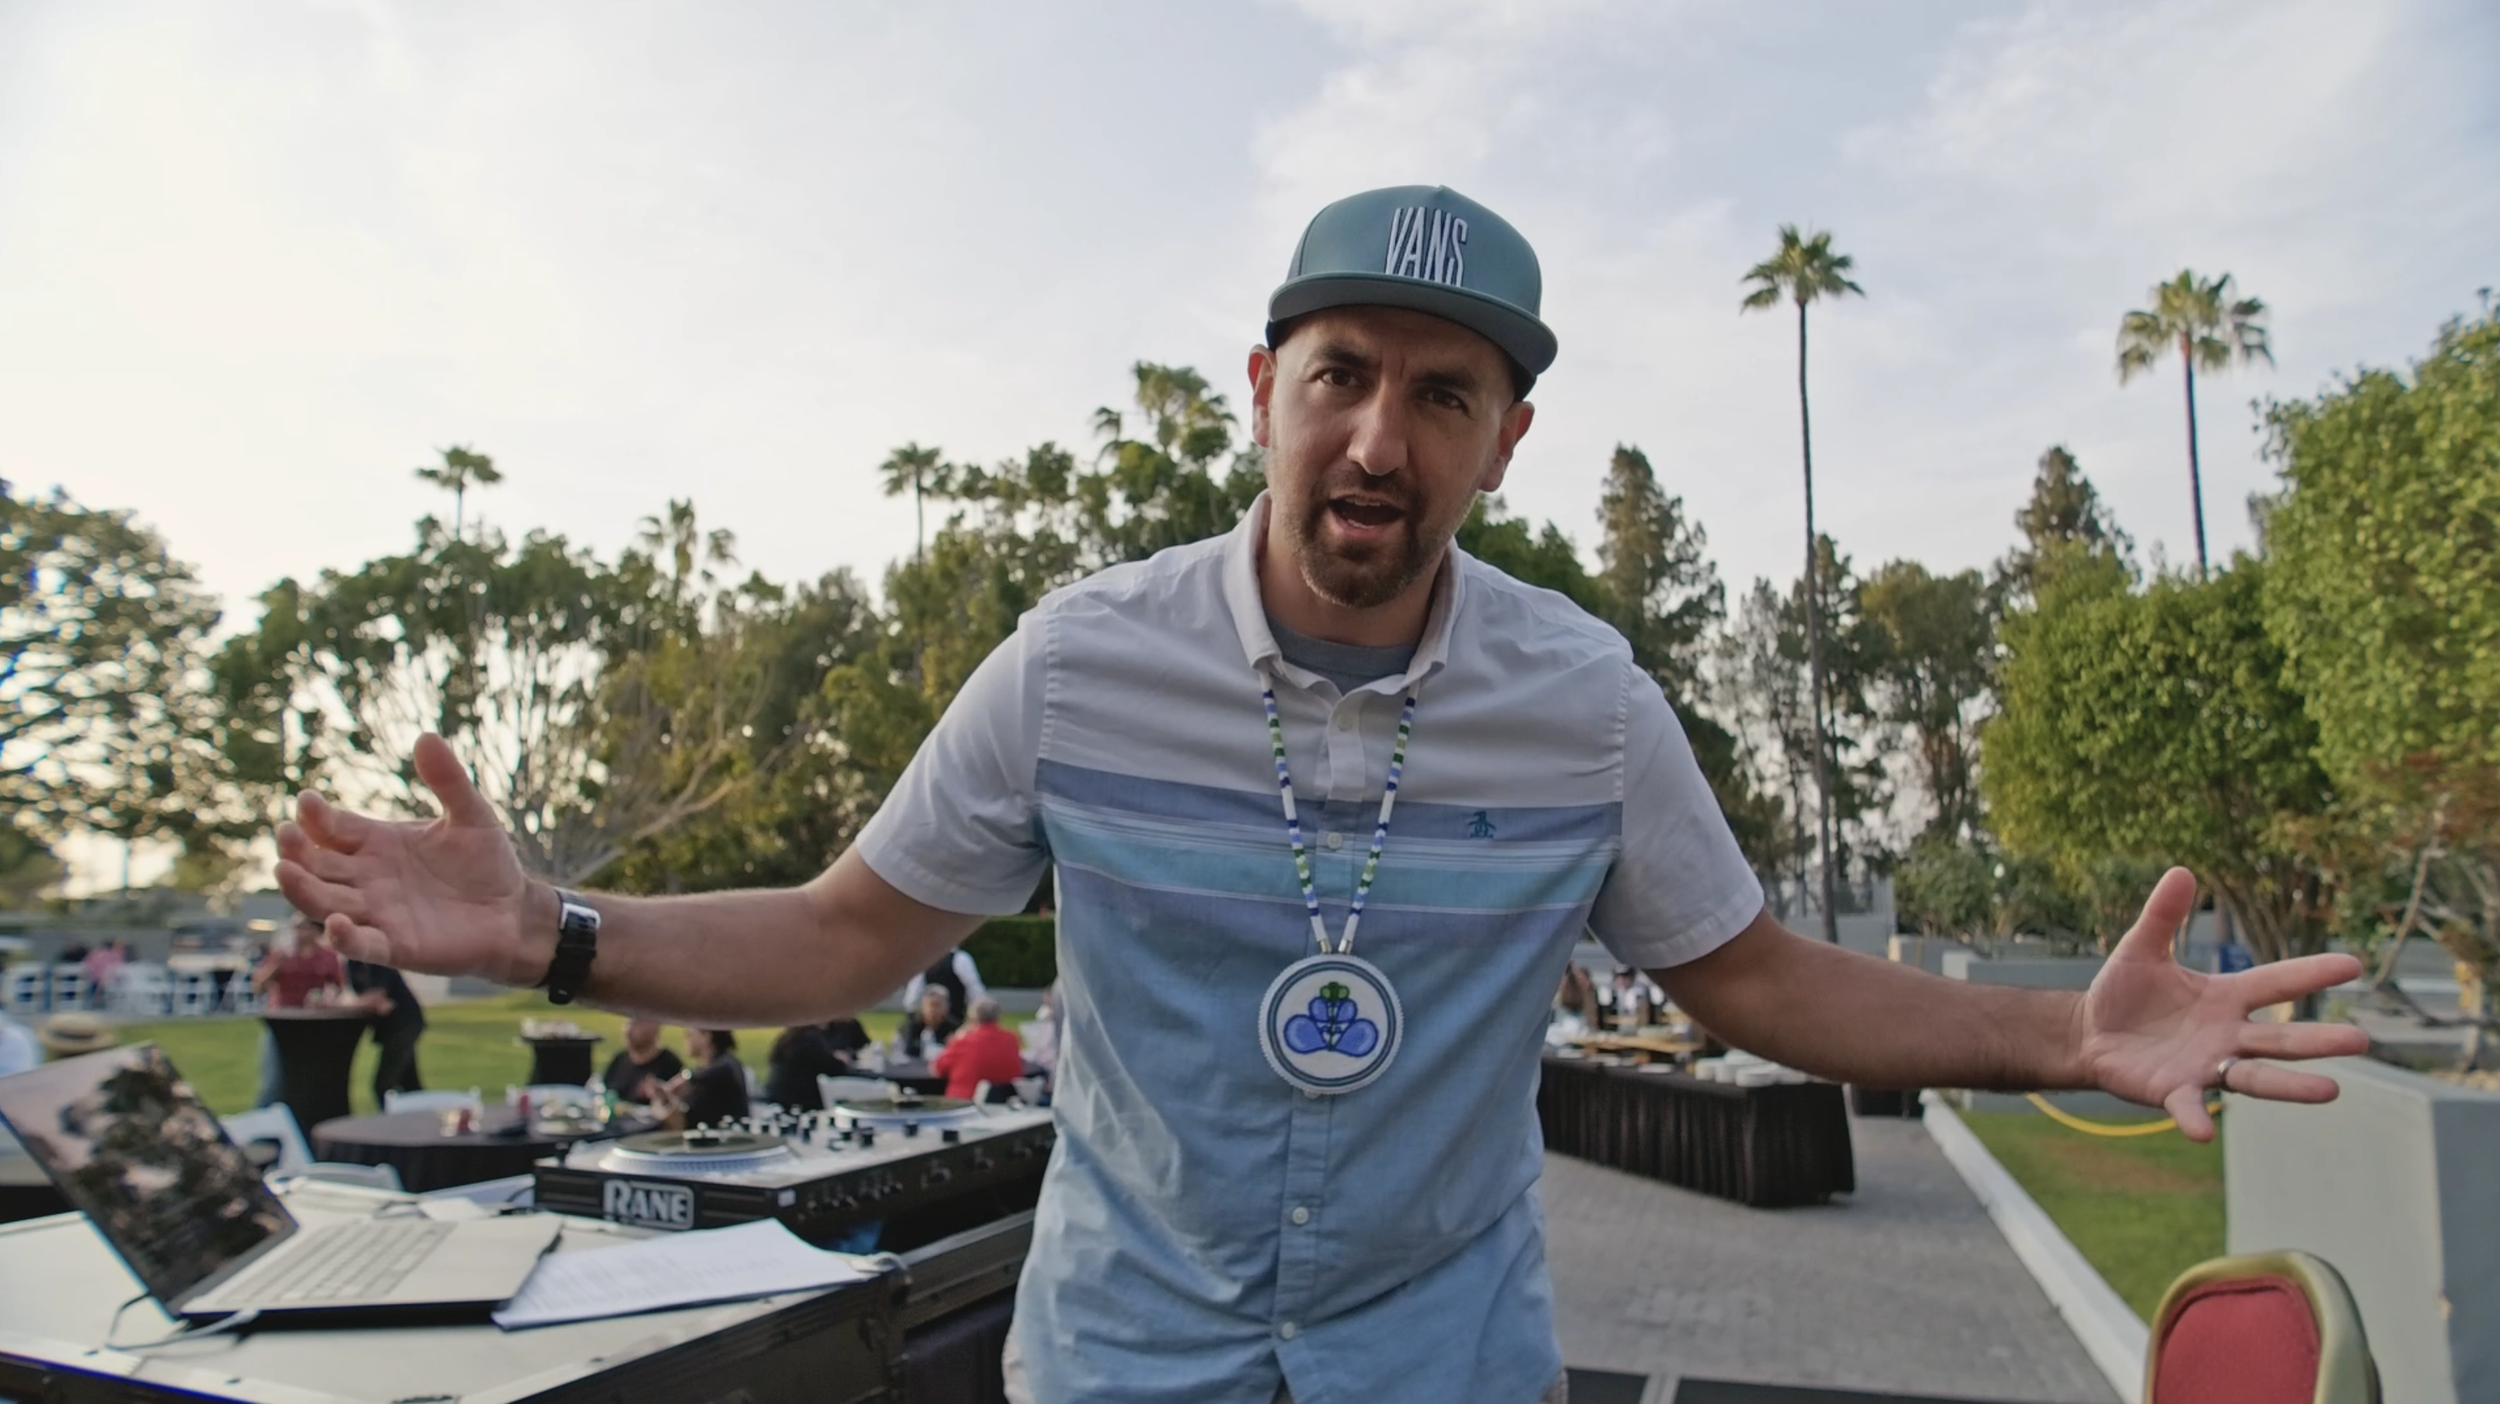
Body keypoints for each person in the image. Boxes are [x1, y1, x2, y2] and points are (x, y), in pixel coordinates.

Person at [276, 184, 2369, 1404]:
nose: (1380, 433)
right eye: (1342, 372)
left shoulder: (1583, 700)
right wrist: (544, 926)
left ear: (1503, 440)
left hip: (1438, 1359)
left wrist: (2055, 1037)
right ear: (1259, 391)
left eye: (1439, 393)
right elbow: (848, 934)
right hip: (1115, 1355)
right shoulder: (1079, 660)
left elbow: (1742, 977)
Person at [250, 918, 349, 1108]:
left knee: (309, 1076)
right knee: (274, 1077)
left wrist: (326, 999)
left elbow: (339, 986)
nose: (298, 932)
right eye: (296, 928)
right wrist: (275, 965)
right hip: (282, 1018)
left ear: (315, 931)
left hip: (311, 1021)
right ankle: (261, 1119)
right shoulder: (281, 954)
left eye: (303, 928)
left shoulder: (327, 957)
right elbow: (258, 987)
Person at [345, 957, 427, 1104]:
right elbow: (368, 999)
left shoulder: (379, 960)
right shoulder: (352, 964)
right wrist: (368, 1002)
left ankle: (391, 1122)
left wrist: (359, 1003)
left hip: (405, 1023)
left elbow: (375, 998)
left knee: (383, 1085)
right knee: (410, 1084)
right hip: (388, 1028)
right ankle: (423, 1117)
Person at [933, 996, 1027, 1101]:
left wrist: (955, 1039)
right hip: (1004, 1103)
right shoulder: (1012, 1040)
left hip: (964, 1104)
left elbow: (938, 1069)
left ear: (972, 1018)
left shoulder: (963, 1042)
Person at [655, 1028, 748, 1129]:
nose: (686, 1039)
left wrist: (686, 1077)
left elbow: (715, 1071)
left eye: (689, 1034)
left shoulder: (724, 1066)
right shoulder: (703, 1071)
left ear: (707, 1036)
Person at [764, 1022, 863, 1110]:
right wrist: (842, 1060)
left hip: (777, 1095)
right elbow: (833, 1067)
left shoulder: (789, 1039)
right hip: (798, 1100)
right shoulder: (808, 1039)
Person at [598, 1019, 685, 1103]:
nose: (629, 1030)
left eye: (637, 1024)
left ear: (655, 1027)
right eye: (628, 1024)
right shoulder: (620, 1059)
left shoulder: (670, 1065)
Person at [902, 947, 986, 1017]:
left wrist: (911, 1009)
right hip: (954, 1016)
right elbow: (973, 986)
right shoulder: (961, 958)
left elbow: (915, 990)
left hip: (944, 1017)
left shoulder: (926, 959)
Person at [895, 986, 959, 1060]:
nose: (934, 1010)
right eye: (931, 1005)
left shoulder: (954, 1029)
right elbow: (906, 1050)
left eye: (938, 1005)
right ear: (923, 1007)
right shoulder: (912, 1026)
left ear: (946, 1007)